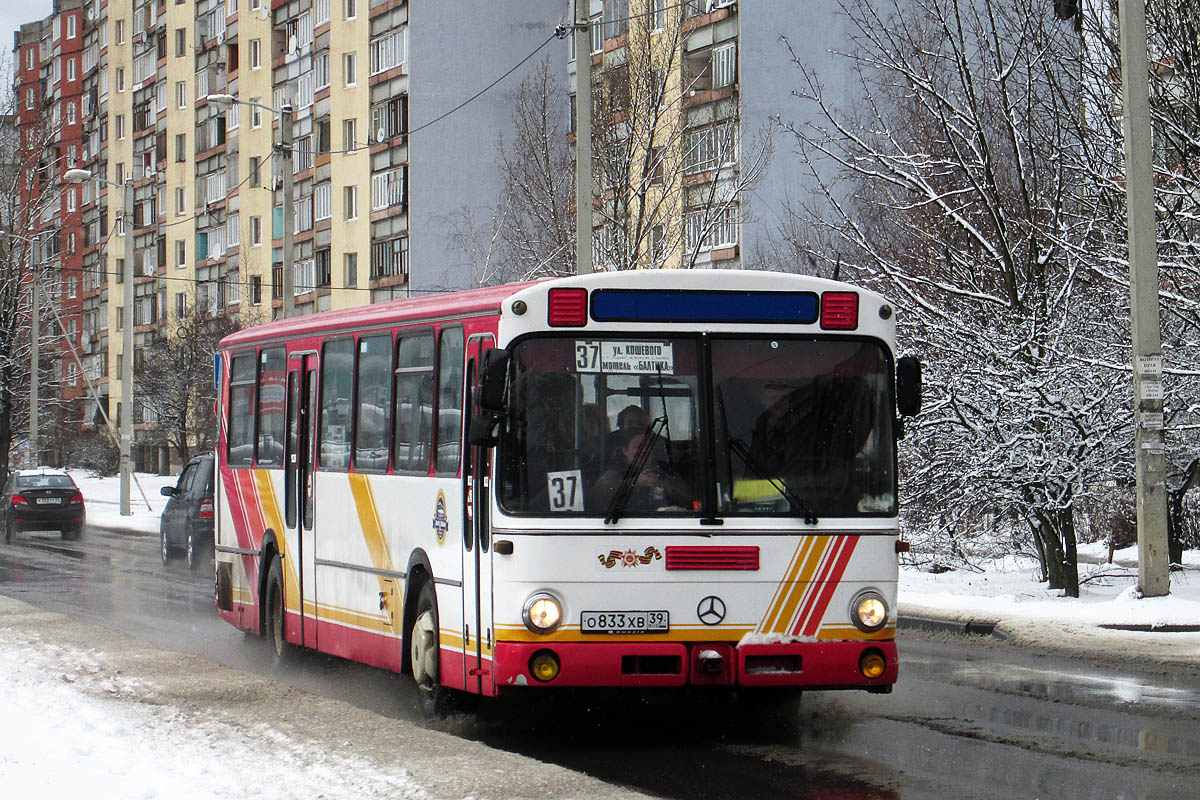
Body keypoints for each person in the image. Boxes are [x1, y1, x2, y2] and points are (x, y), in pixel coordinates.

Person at [591, 427, 691, 513]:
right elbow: (600, 493)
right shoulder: (615, 471)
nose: (643, 451)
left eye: (647, 447)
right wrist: (634, 483)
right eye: (637, 447)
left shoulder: (662, 470)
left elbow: (687, 499)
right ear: (625, 450)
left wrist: (667, 487)